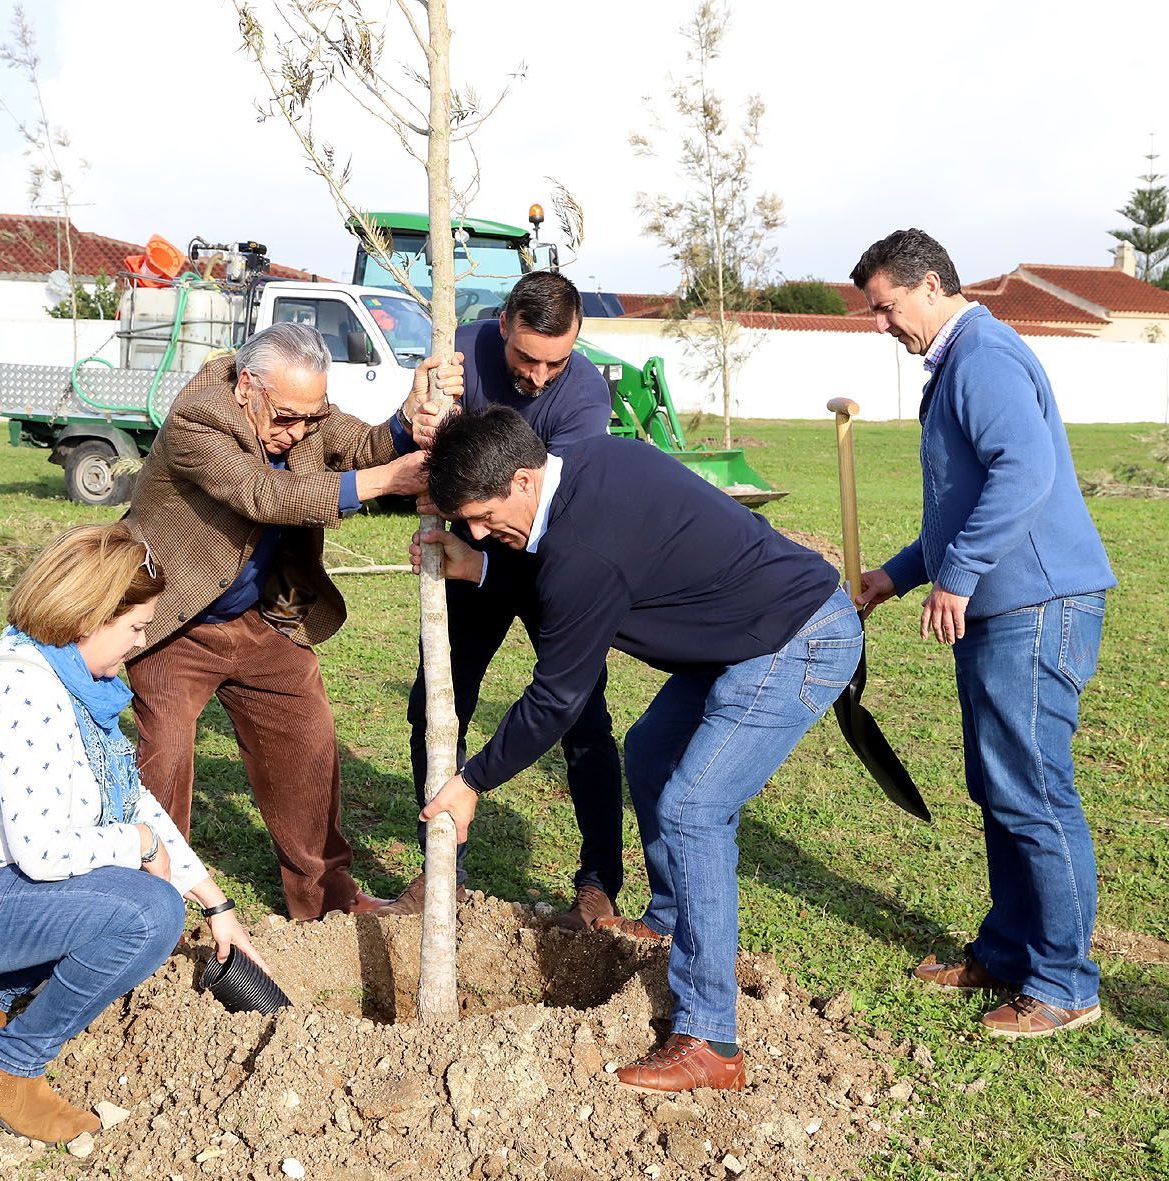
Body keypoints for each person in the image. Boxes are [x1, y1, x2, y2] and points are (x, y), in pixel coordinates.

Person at [415, 408, 860, 1093]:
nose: (477, 531)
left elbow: (557, 695)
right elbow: (565, 569)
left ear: (525, 477)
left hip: (794, 638)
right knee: (652, 752)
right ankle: (671, 919)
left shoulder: (584, 544)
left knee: (693, 807)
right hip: (741, 633)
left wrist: (472, 780)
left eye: (480, 517)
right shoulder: (586, 465)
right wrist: (479, 566)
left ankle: (712, 1039)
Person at [0, 523, 270, 1145]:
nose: (139, 646)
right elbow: (48, 852)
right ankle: (8, 1072)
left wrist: (216, 903)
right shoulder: (29, 694)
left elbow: (129, 797)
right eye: (135, 629)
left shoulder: (66, 678)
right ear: (88, 615)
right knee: (144, 914)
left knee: (121, 889)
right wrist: (140, 847)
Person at [850, 228, 1117, 1039]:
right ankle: (1008, 952)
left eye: (887, 307)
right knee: (1000, 786)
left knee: (1034, 792)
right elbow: (961, 503)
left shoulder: (983, 357)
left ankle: (1065, 983)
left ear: (931, 285)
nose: (883, 325)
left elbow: (1024, 473)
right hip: (1005, 608)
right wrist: (897, 575)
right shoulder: (959, 360)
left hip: (1036, 606)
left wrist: (958, 575)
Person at [124, 323, 460, 920]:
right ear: (247, 386)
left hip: (258, 618)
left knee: (308, 744)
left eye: (310, 418)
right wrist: (388, 481)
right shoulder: (196, 419)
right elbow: (264, 496)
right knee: (165, 761)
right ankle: (154, 908)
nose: (298, 433)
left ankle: (326, 902)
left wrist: (408, 421)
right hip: (173, 620)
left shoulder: (296, 406)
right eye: (286, 419)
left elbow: (360, 447)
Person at [388, 271, 625, 931]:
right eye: (527, 358)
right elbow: (402, 444)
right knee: (437, 706)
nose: (541, 376)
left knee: (581, 718)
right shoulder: (454, 353)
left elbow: (561, 512)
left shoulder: (581, 397)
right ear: (502, 329)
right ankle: (445, 873)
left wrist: (483, 548)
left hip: (550, 566)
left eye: (557, 359)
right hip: (469, 562)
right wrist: (419, 420)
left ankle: (599, 883)